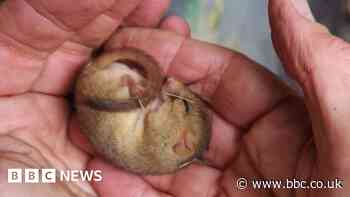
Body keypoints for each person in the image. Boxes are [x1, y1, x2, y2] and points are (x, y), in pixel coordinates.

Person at [0, 0, 348, 196]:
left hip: (105, 91)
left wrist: (19, 178)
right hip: (105, 93)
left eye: (180, 104)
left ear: (181, 143)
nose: (175, 88)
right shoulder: (159, 139)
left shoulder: (158, 142)